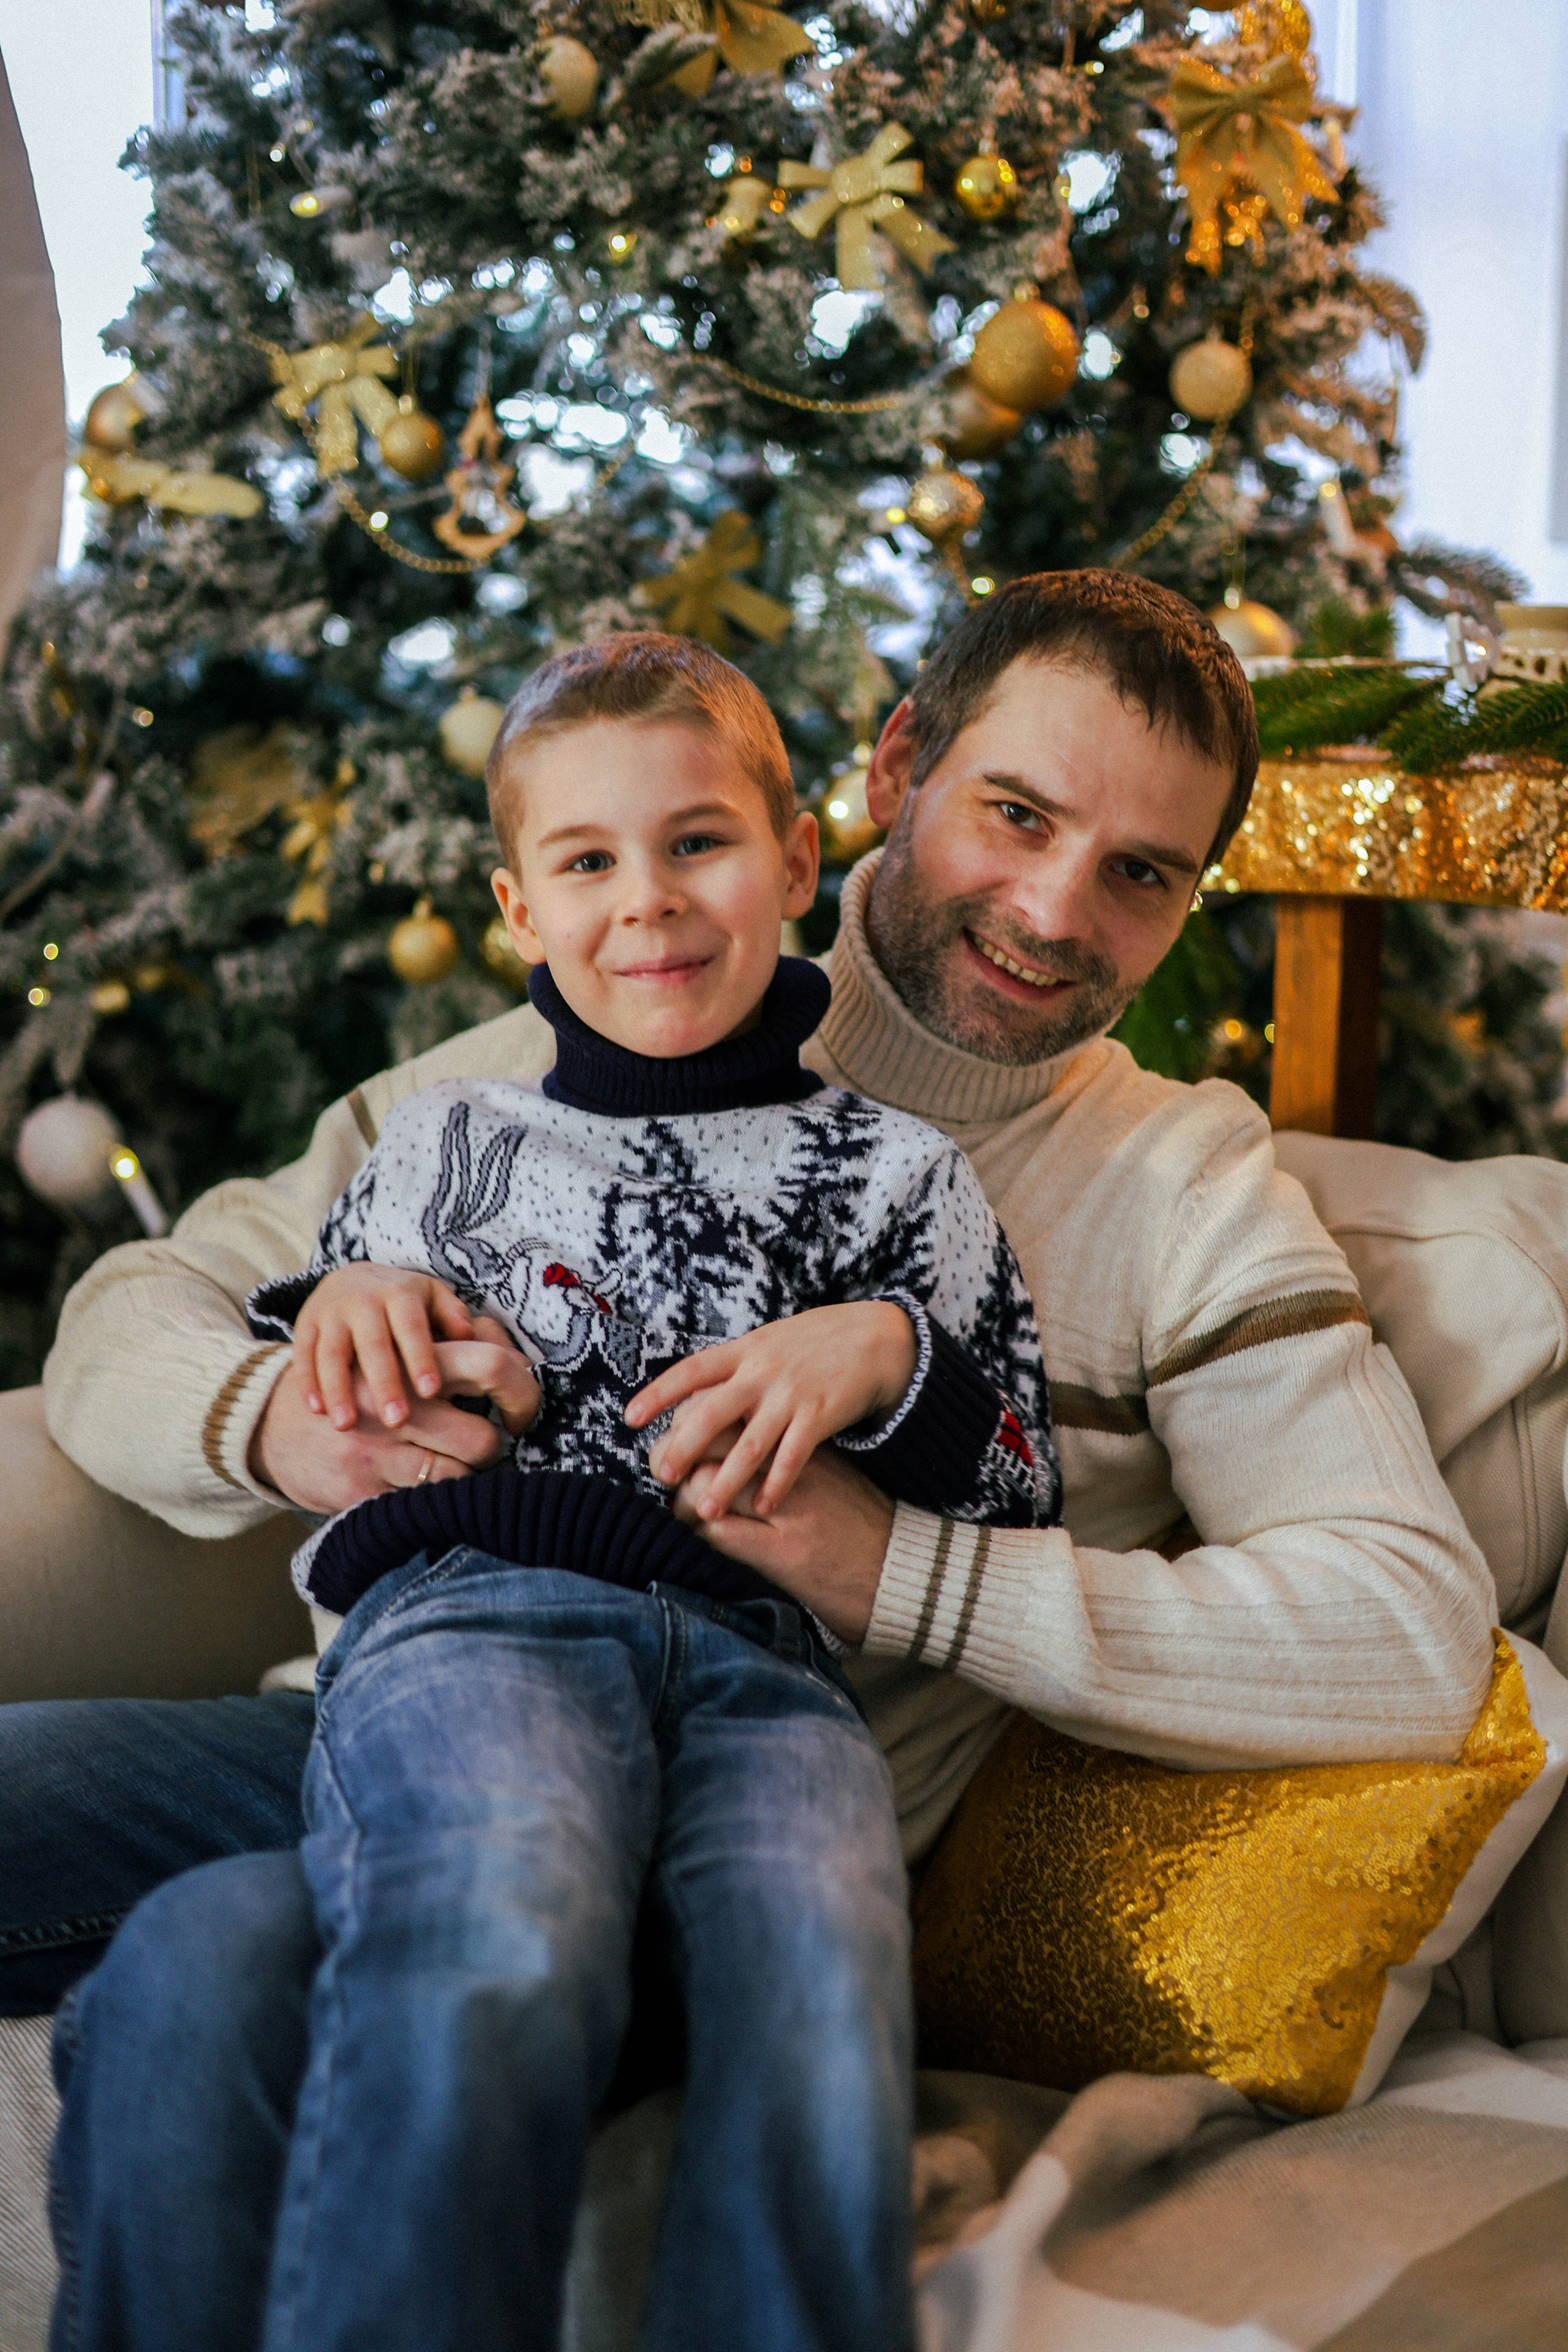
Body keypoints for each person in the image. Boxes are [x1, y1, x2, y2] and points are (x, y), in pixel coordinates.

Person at [9, 572, 1495, 2332]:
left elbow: (1410, 1631)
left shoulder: (1186, 1192)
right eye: (1016, 815)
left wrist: (908, 1572)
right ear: (890, 775)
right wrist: (289, 1425)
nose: (1049, 909)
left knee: (200, 1976)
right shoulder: (606, 1004)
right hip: (387, 1703)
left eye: (1142, 874)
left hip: (729, 1770)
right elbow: (134, 1301)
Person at [55, 632, 1058, 2352]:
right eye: (587, 862)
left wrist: (887, 1355)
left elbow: (1022, 1487)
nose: (649, 903)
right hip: (484, 1623)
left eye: (699, 843)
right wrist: (344, 1315)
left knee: (821, 1996)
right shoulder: (444, 1140)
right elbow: (339, 1348)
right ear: (518, 910)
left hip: (768, 1679)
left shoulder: (903, 1175)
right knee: (499, 1918)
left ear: (799, 859)